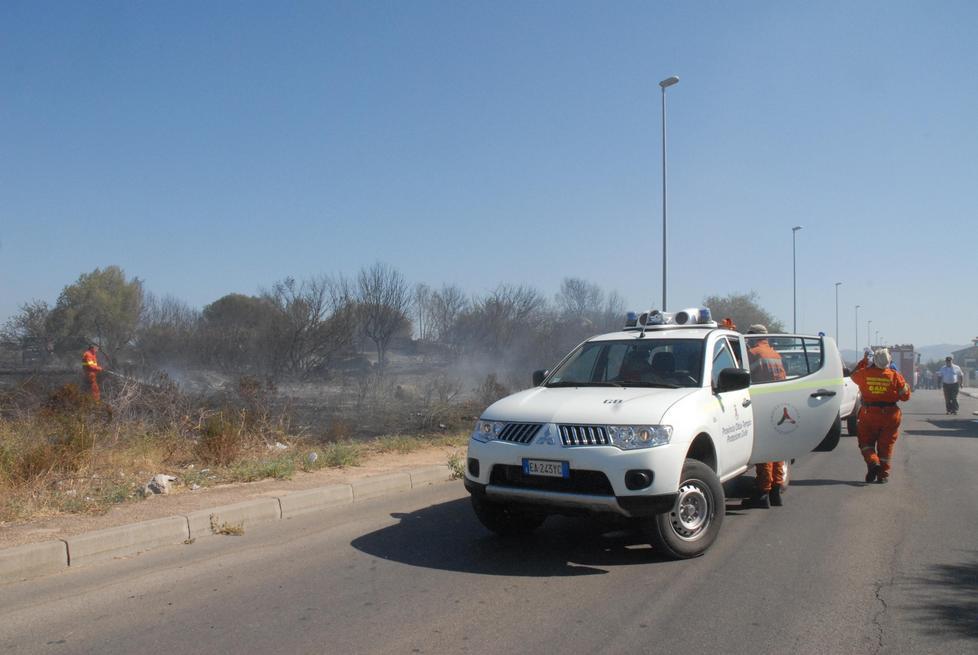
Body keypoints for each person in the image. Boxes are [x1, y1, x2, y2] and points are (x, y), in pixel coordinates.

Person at [742, 324, 787, 508]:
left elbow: (746, 375)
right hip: (778, 405)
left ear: (753, 336)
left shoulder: (754, 353)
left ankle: (763, 492)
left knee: (765, 451)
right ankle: (776, 490)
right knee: (777, 450)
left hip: (762, 404)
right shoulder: (775, 354)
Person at [850, 348, 911, 483]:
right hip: (890, 415)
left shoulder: (864, 373)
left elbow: (852, 376)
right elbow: (906, 396)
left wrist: (865, 361)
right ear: (889, 361)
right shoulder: (895, 375)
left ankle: (873, 462)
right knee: (886, 446)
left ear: (874, 360)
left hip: (869, 414)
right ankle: (882, 475)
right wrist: (905, 385)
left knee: (866, 442)